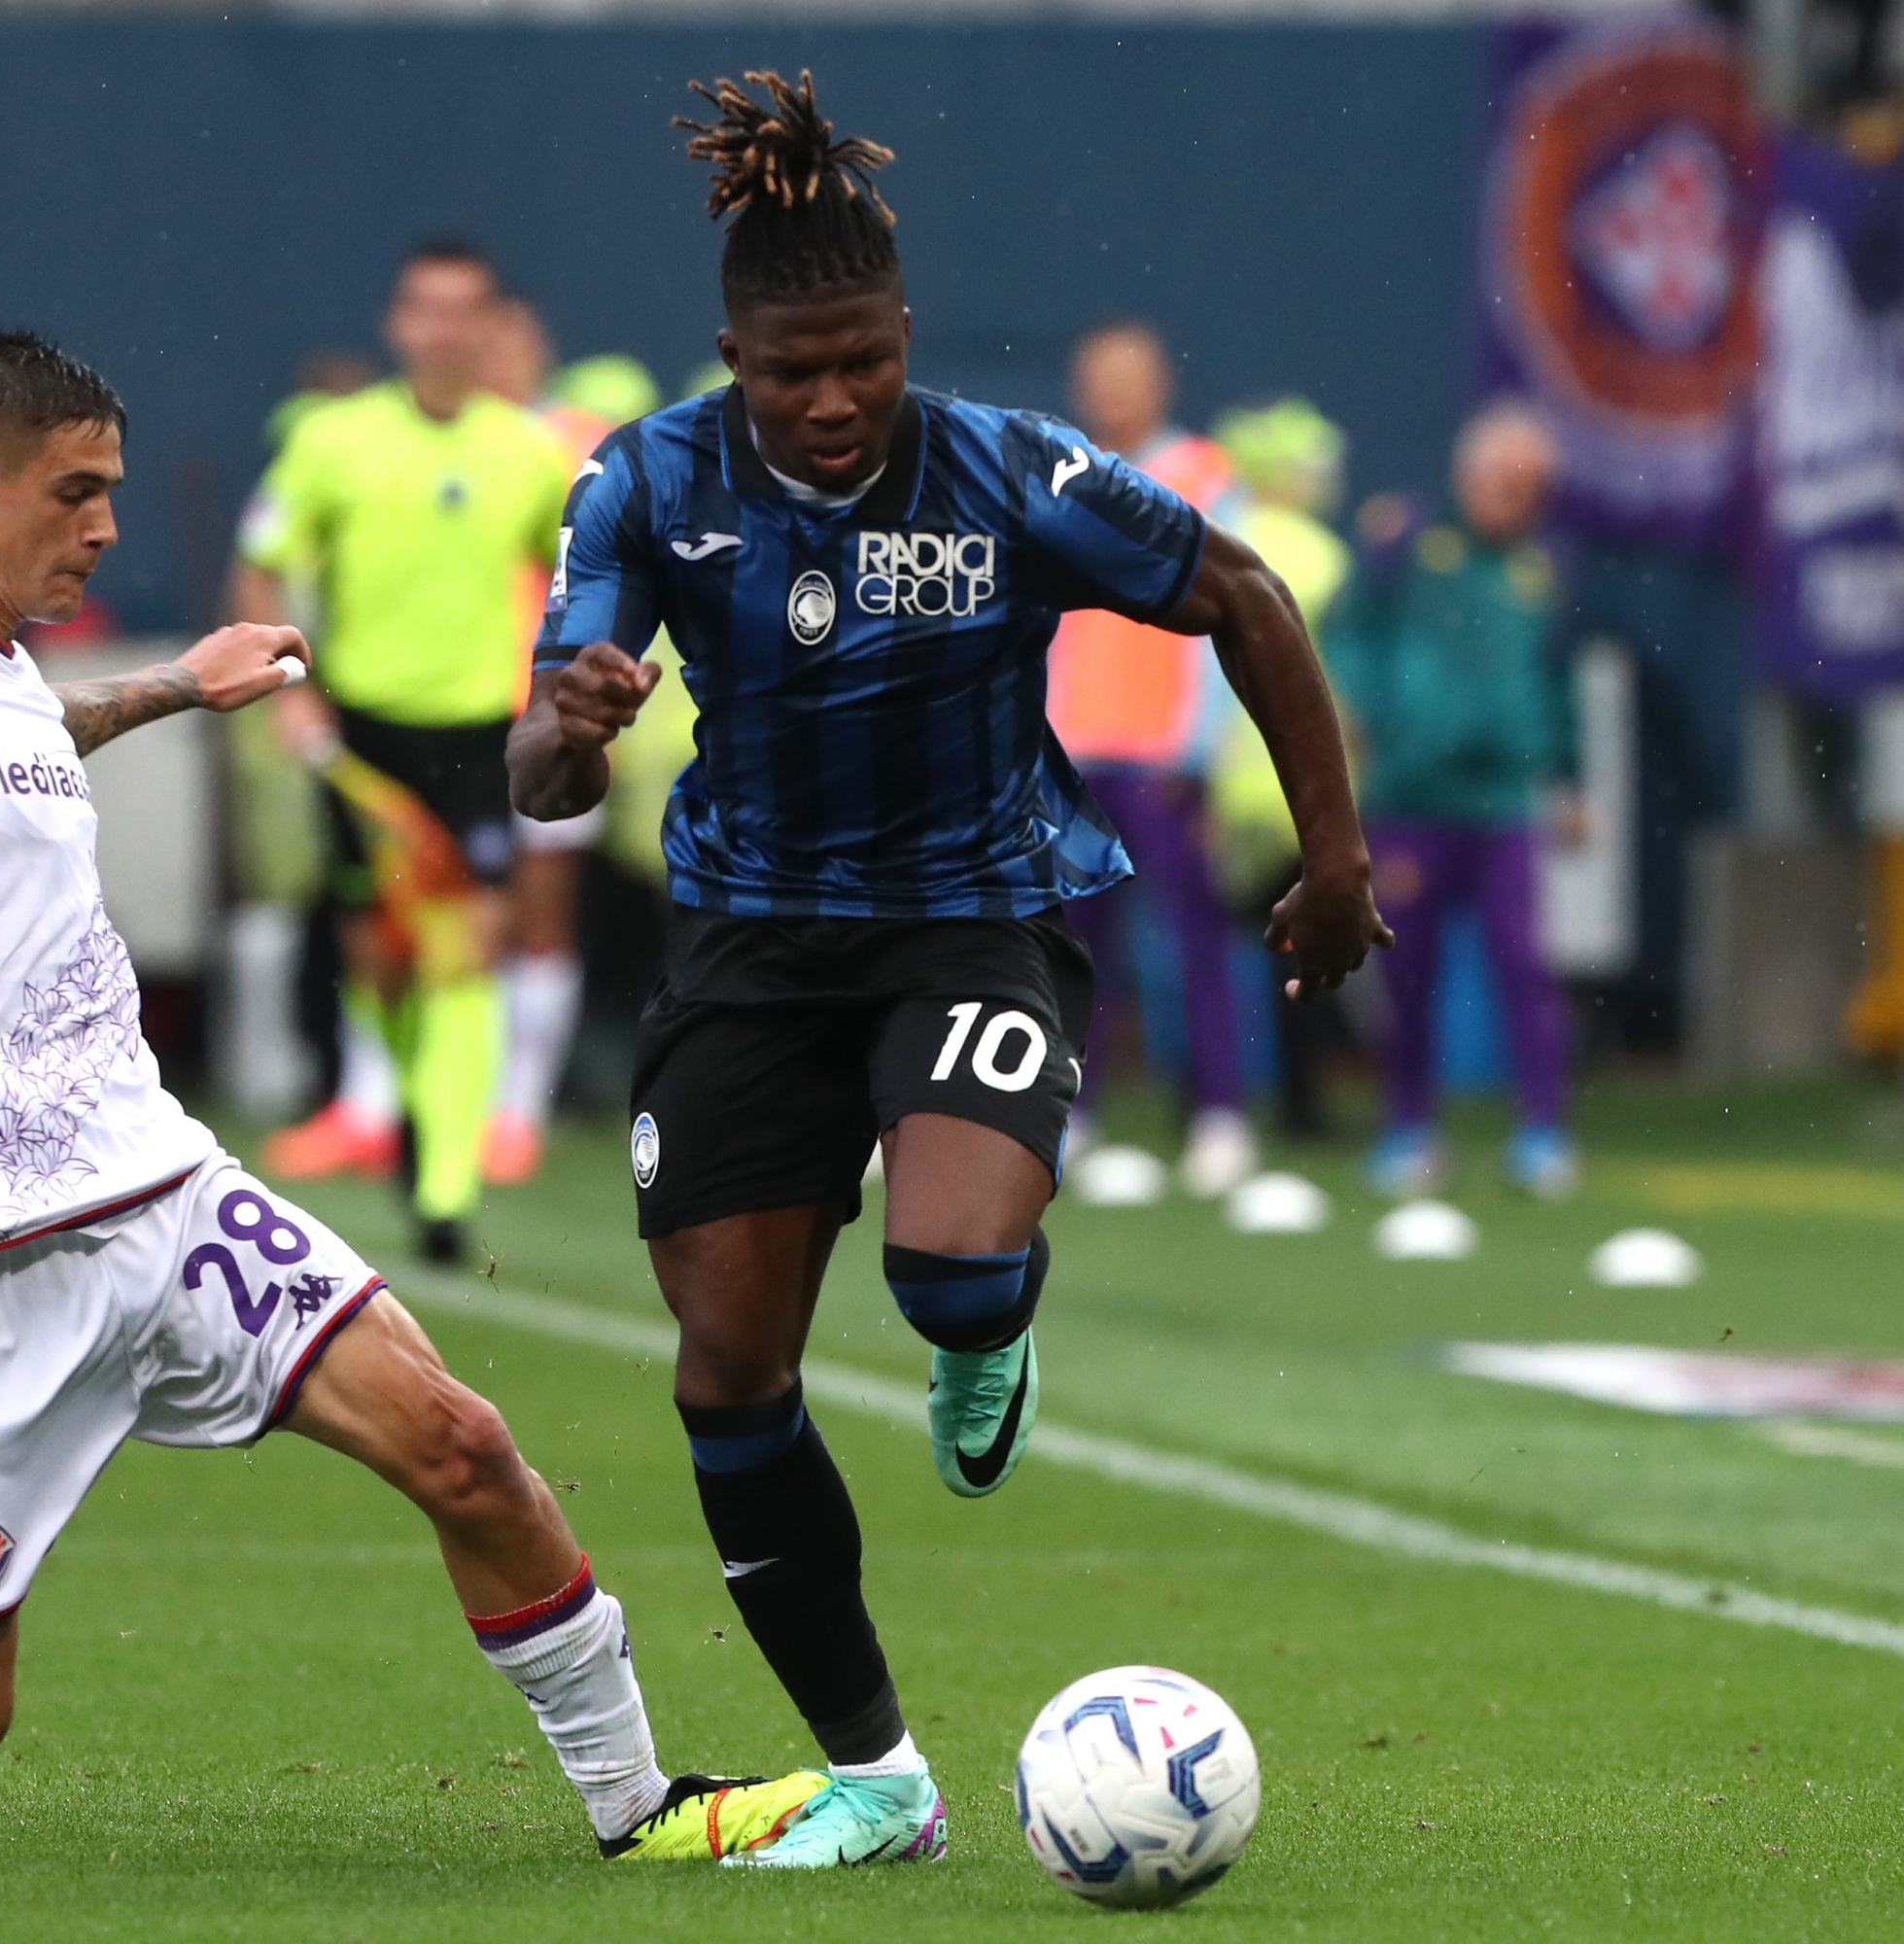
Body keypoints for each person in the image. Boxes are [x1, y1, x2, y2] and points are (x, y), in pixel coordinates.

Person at [0, 330, 818, 1864]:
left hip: (155, 1192)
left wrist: (172, 687)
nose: (106, 524)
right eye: (77, 491)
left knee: (460, 1447)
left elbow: (12, 740)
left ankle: (639, 1810)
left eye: (112, 491)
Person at [508, 72, 1384, 1867]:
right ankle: (873, 1782)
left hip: (969, 917)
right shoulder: (643, 482)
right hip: (749, 950)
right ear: (732, 356)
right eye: (786, 371)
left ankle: (983, 1335)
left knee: (947, 1267)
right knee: (722, 1374)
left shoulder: (1012, 468)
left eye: (858, 361)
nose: (826, 404)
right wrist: (568, 729)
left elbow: (1247, 601)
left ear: (901, 335)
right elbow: (536, 774)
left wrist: (1332, 859)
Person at [237, 244, 572, 1260]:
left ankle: (444, 1180)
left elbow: (574, 576)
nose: (444, 328)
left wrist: (560, 695)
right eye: (425, 308)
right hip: (363, 737)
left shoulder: (526, 450)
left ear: (490, 325)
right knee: (381, 951)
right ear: (398, 322)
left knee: (468, 942)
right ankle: (409, 1110)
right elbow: (262, 567)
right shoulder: (335, 441)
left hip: (475, 732)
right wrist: (286, 695)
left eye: (464, 309)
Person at [1324, 402, 1580, 1198]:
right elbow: (1346, 631)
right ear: (1470, 474)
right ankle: (1408, 1129)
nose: (1517, 498)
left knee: (1523, 966)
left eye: (1532, 486)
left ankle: (1542, 1132)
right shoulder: (1403, 539)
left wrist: (1567, 776)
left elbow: (1556, 677)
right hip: (1409, 793)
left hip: (1504, 801)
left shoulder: (1543, 565)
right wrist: (1363, 717)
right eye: (1507, 481)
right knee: (1407, 971)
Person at [1044, 324, 1258, 1198]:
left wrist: (1196, 745)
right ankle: (1067, 1116)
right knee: (1070, 951)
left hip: (1163, 757)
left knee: (1192, 941)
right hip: (1071, 754)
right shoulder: (1055, 477)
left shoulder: (1203, 478)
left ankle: (1219, 1117)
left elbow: (1235, 614)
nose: (1113, 395)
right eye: (1098, 379)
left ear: (1161, 384)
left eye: (1128, 378)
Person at [477, 298, 641, 1184]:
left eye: (510, 335)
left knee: (540, 907)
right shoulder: (434, 440)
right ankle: (418, 1101)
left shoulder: (575, 442)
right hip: (446, 705)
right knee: (443, 915)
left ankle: (518, 1108)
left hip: (541, 701)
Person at [1207, 398, 1356, 1137]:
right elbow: (1338, 675)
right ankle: (1301, 1108)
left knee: (1205, 949)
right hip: (1293, 784)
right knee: (1306, 951)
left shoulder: (1219, 533)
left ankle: (1210, 1105)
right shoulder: (1320, 554)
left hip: (1225, 781)